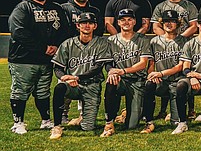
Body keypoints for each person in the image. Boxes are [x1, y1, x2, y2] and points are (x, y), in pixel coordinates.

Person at [8, 0, 70, 134]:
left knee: (43, 91)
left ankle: (46, 120)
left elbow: (65, 30)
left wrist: (56, 46)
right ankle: (18, 123)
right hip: (24, 59)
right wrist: (42, 48)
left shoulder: (56, 7)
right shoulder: (23, 8)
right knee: (20, 91)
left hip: (47, 60)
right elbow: (18, 32)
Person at [49, 12, 113, 139]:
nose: (87, 26)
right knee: (60, 88)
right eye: (83, 23)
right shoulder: (68, 43)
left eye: (90, 23)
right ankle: (56, 126)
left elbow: (97, 68)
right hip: (73, 85)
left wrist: (76, 77)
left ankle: (82, 118)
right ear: (78, 26)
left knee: (88, 127)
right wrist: (63, 77)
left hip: (92, 86)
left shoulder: (101, 42)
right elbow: (58, 68)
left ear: (95, 26)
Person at [58, 0, 104, 126]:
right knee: (65, 82)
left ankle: (83, 114)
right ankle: (63, 114)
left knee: (86, 82)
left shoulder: (94, 11)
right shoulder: (64, 8)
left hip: (88, 52)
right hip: (69, 53)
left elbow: (100, 32)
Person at [101, 9, 152, 137]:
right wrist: (111, 72)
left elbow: (142, 64)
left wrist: (122, 70)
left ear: (134, 22)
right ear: (118, 22)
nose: (126, 22)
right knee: (111, 82)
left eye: (129, 19)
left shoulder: (142, 39)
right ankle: (109, 121)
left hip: (137, 81)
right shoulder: (111, 40)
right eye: (123, 20)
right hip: (120, 80)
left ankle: (126, 114)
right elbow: (107, 63)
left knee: (131, 125)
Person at [141, 10, 188, 133]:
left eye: (172, 21)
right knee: (149, 84)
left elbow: (180, 66)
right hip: (161, 82)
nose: (169, 24)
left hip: (177, 81)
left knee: (175, 123)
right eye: (166, 21)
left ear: (178, 23)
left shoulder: (185, 41)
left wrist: (161, 73)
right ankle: (149, 121)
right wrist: (152, 75)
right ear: (162, 23)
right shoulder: (154, 41)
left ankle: (180, 117)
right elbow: (151, 63)